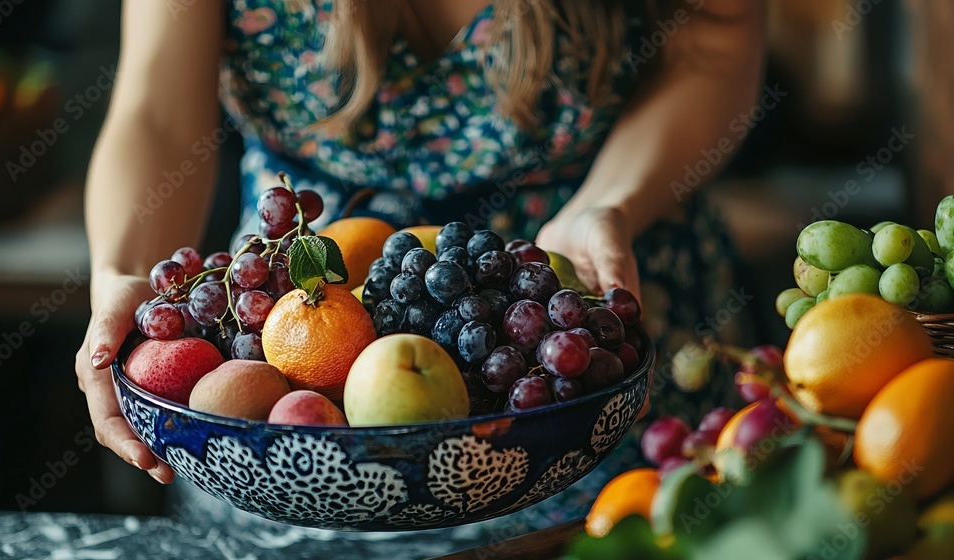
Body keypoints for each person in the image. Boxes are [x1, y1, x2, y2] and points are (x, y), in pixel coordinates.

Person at [75, 0, 764, 543]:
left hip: (585, 310)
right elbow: (157, 112)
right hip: (292, 336)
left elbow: (713, 40)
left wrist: (608, 204)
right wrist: (124, 275)